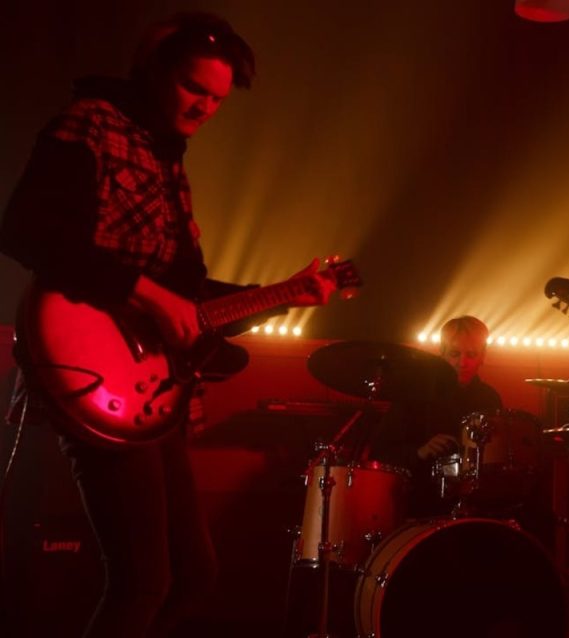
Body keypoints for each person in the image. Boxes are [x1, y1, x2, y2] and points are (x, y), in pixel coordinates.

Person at [0, 12, 337, 637]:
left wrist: (289, 293)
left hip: (150, 393)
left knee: (191, 575)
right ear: (155, 69)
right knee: (144, 580)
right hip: (90, 372)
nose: (205, 106)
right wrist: (144, 294)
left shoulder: (166, 162)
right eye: (192, 88)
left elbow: (190, 302)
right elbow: (25, 230)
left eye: (215, 97)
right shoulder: (91, 125)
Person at [370, 315, 502, 517]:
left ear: (483, 356)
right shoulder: (415, 395)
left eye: (471, 354)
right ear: (442, 354)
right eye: (455, 353)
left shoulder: (490, 399)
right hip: (421, 506)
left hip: (477, 507)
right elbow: (380, 453)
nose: (462, 362)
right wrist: (419, 452)